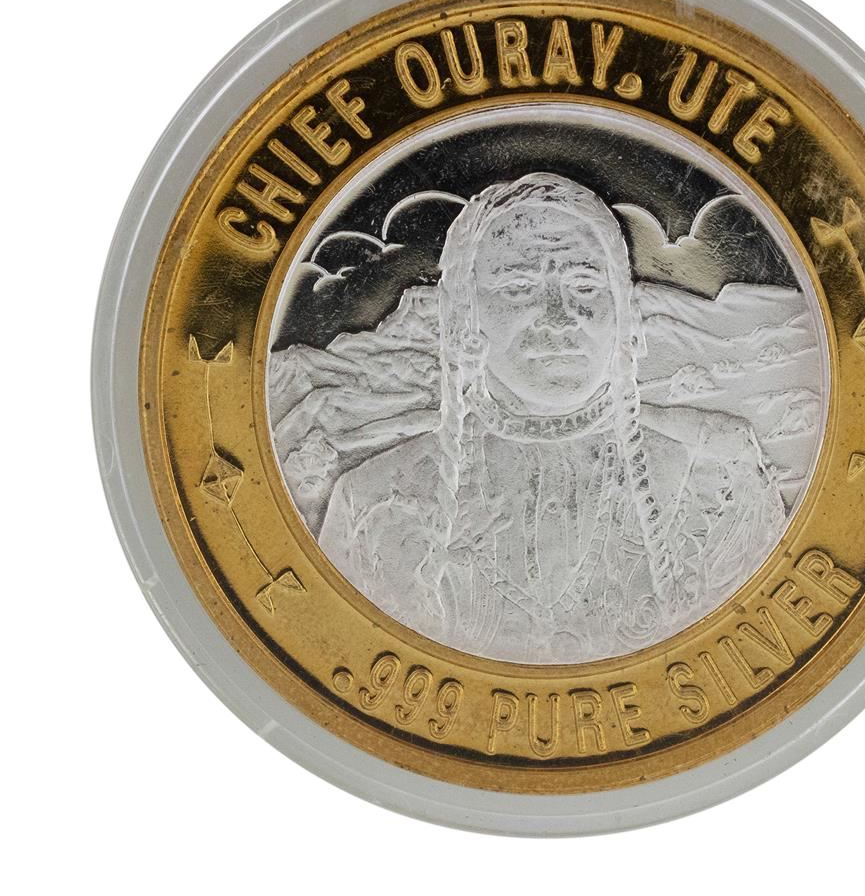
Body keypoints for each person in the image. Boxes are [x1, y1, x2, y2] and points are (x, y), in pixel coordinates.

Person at [319, 173, 785, 663]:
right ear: (464, 315)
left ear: (624, 311)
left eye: (584, 285)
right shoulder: (371, 501)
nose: (558, 317)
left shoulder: (717, 481)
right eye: (519, 286)